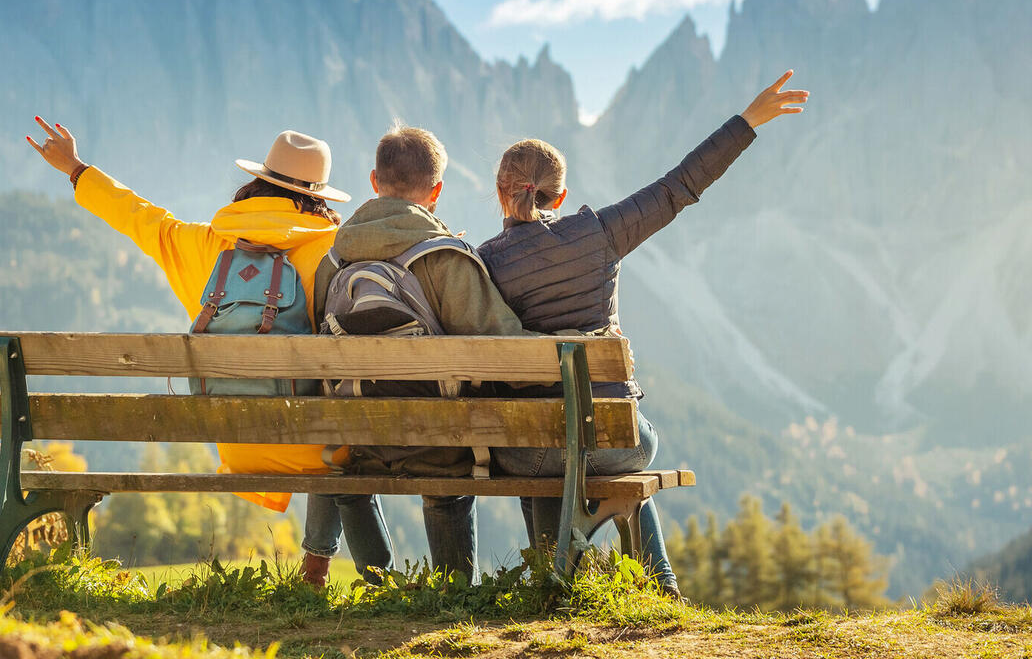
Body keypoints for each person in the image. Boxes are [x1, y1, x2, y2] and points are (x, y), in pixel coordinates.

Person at [481, 70, 809, 599]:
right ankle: (661, 588)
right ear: (560, 195)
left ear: (500, 193)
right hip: (615, 443)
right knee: (627, 435)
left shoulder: (484, 263)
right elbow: (679, 186)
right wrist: (748, 120)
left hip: (531, 452)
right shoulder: (600, 232)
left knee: (542, 438)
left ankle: (557, 580)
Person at [23, 119, 384, 582]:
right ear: (316, 197)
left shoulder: (205, 245)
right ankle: (347, 573)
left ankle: (319, 570)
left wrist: (75, 169)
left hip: (233, 435)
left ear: (259, 184)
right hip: (313, 445)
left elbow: (140, 217)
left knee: (332, 422)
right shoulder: (334, 253)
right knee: (343, 423)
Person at [306, 123, 528, 586]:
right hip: (436, 446)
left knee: (350, 463)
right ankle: (451, 591)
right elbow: (503, 352)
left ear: (373, 181)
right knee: (445, 467)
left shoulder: (333, 262)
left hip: (360, 439)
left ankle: (377, 584)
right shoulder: (444, 258)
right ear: (437, 191)